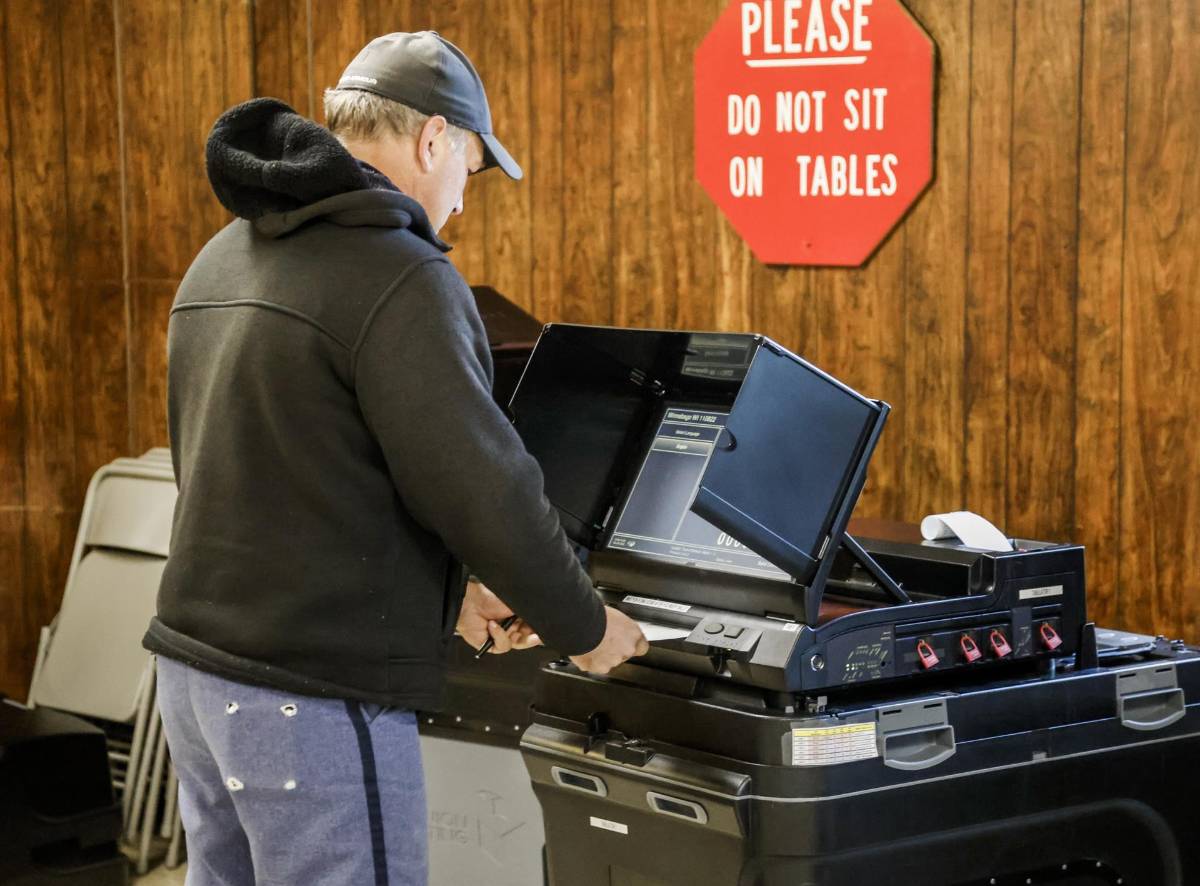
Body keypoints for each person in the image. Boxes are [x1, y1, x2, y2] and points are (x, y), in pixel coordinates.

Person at [143, 31, 648, 886]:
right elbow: (485, 489)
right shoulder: (399, 273)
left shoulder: (224, 254)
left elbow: (283, 480)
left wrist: (446, 594)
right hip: (312, 695)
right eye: (472, 170)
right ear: (433, 139)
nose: (458, 203)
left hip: (196, 680)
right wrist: (587, 628)